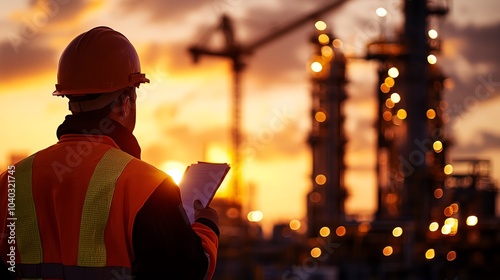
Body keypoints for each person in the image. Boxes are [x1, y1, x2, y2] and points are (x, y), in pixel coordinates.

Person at [0, 26, 219, 279]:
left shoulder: (12, 181)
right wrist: (207, 228)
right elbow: (187, 272)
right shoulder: (148, 186)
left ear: (69, 99)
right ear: (125, 104)